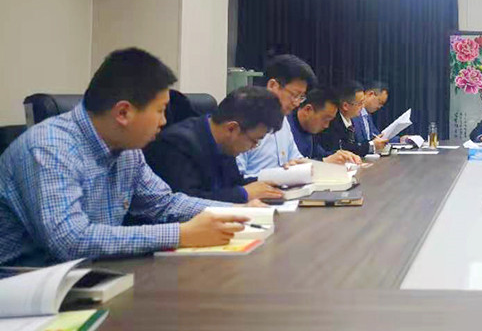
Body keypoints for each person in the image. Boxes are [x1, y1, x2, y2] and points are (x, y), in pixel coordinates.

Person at [0, 48, 248, 266]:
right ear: (123, 113)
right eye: (160, 111)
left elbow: (163, 204)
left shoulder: (128, 151)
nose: (164, 121)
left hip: (92, 276)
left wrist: (238, 211)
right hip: (25, 285)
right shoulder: (50, 148)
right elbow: (70, 240)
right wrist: (181, 235)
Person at [144, 86, 286, 204]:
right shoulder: (176, 143)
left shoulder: (225, 143)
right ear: (232, 128)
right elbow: (185, 202)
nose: (254, 146)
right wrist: (243, 194)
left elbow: (232, 184)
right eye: (254, 140)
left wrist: (270, 181)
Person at [236, 54, 316, 178]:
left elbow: (296, 158)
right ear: (273, 86)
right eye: (294, 95)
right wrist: (277, 176)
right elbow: (235, 178)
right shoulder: (242, 118)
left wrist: (300, 166)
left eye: (301, 97)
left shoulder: (284, 120)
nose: (296, 103)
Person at [288, 88, 361, 164]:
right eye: (325, 119)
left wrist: (341, 155)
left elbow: (320, 154)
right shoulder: (285, 127)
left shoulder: (310, 129)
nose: (326, 125)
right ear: (308, 110)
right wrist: (324, 161)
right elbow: (290, 166)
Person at [324, 80, 375, 156]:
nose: (363, 107)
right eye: (360, 103)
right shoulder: (331, 123)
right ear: (345, 106)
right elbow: (342, 150)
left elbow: (355, 146)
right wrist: (371, 145)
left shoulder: (353, 120)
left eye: (363, 102)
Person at [354, 80, 390, 152]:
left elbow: (377, 135)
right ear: (371, 94)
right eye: (380, 102)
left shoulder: (368, 115)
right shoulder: (353, 113)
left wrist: (400, 139)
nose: (380, 107)